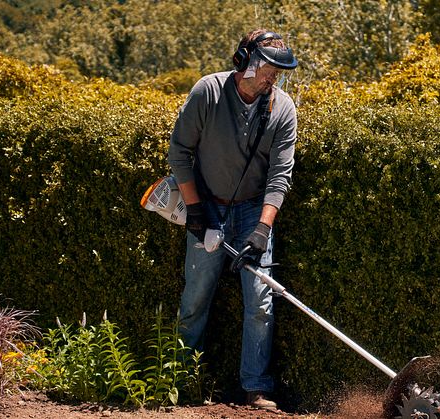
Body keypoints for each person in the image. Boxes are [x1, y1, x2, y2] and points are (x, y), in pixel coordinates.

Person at [167, 28, 298, 410]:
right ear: (244, 63)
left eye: (278, 71)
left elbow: (280, 176)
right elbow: (180, 154)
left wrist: (262, 229)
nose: (274, 77)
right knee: (195, 298)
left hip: (252, 211)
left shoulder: (283, 109)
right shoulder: (207, 92)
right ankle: (178, 381)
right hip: (207, 206)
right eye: (270, 69)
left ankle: (255, 387)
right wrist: (195, 210)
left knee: (260, 302)